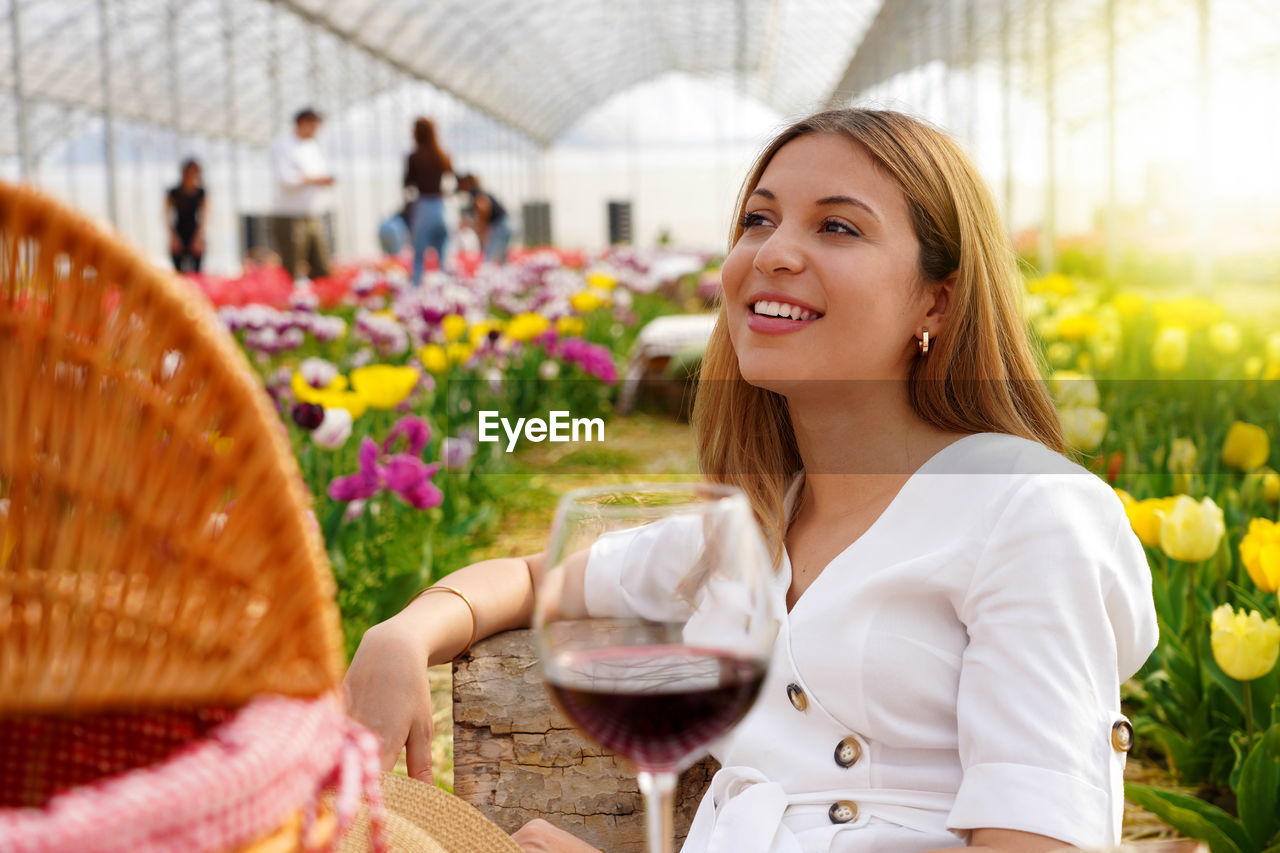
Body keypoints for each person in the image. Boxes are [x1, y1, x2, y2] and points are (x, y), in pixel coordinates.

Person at [344, 108, 1159, 853]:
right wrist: (404, 634)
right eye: (757, 219)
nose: (772, 253)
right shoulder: (749, 527)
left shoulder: (1027, 512)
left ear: (937, 303)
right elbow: (531, 577)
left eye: (837, 226)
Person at [270, 107, 334, 280]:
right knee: (292, 266)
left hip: (313, 213)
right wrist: (313, 180)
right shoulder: (283, 145)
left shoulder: (312, 147)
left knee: (320, 264)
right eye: (313, 125)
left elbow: (320, 174)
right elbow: (285, 179)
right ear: (302, 123)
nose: (316, 130)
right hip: (289, 215)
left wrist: (319, 180)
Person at [404, 117, 454, 285]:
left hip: (424, 206)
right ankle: (444, 291)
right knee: (443, 256)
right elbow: (451, 183)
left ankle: (416, 291)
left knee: (419, 257)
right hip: (441, 207)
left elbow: (407, 186)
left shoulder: (414, 157)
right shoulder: (443, 156)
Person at [457, 173, 512, 266]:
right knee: (501, 256)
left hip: (500, 225)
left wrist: (482, 232)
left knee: (489, 256)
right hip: (507, 222)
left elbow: (483, 208)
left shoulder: (476, 194)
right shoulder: (480, 192)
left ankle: (486, 274)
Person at [165, 158, 206, 273]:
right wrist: (173, 237)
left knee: (197, 271)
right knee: (178, 272)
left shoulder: (200, 192)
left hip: (194, 231)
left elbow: (204, 216)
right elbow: (166, 215)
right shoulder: (173, 192)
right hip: (179, 232)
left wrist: (199, 238)